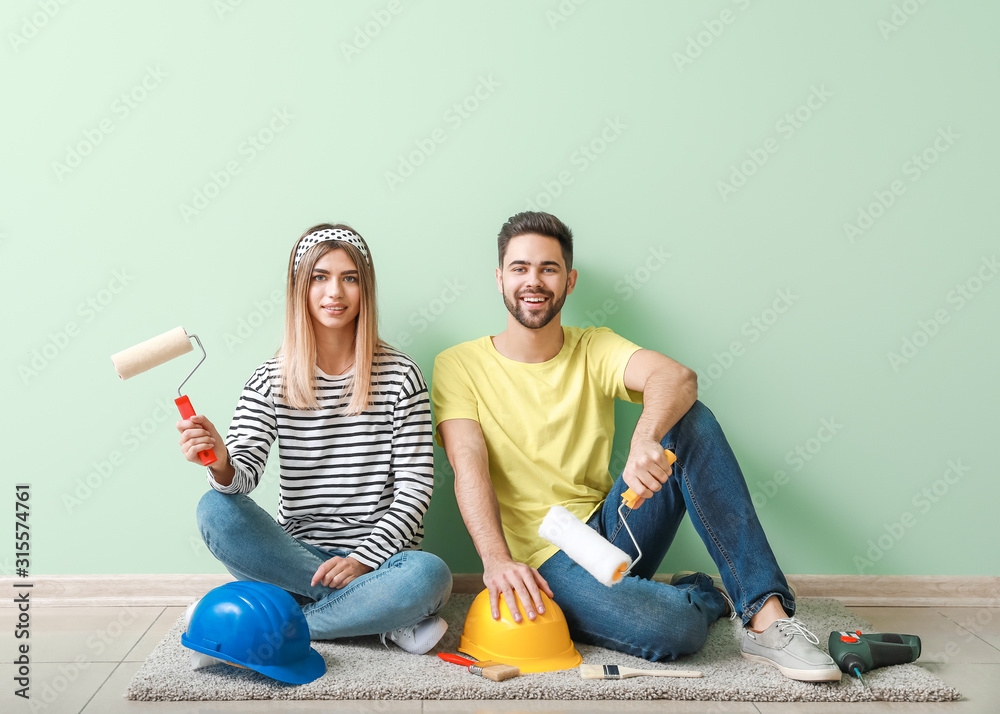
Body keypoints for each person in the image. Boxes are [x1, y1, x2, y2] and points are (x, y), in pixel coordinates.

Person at [431, 211, 840, 681]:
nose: (534, 281)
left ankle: (768, 618)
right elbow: (468, 466)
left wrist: (645, 437)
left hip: (612, 523)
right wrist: (496, 560)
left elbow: (678, 377)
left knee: (690, 421)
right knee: (677, 630)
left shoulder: (593, 346)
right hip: (548, 556)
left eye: (549, 268)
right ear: (500, 277)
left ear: (570, 280)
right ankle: (701, 596)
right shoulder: (458, 364)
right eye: (520, 268)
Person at [177, 224, 452, 655]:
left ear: (365, 289)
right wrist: (220, 461)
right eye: (320, 277)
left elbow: (415, 489)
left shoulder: (401, 375)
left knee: (428, 575)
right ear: (300, 289)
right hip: (298, 558)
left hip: (381, 562)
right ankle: (377, 621)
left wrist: (363, 560)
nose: (335, 292)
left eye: (350, 278)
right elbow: (241, 476)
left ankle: (276, 622)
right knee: (215, 509)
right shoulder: (270, 378)